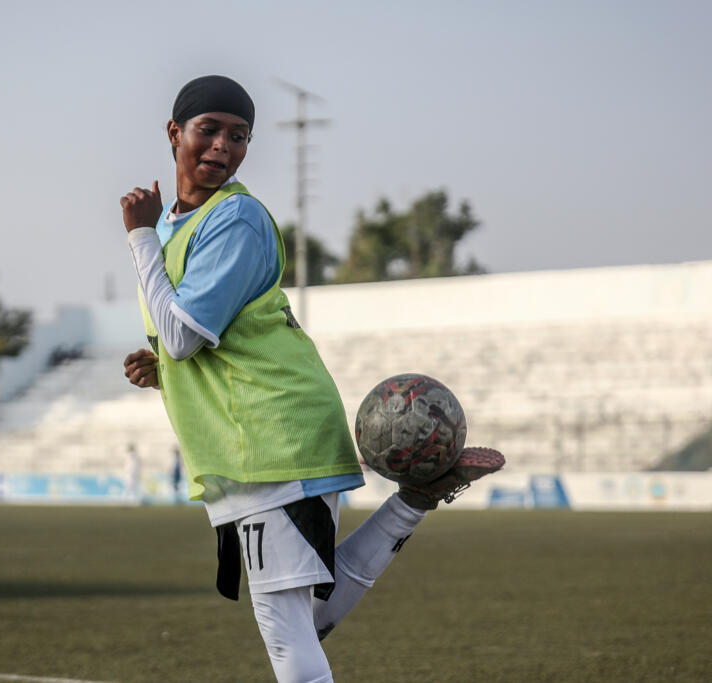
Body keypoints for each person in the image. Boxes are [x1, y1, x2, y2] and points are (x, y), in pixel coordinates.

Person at [120, 75, 505, 682]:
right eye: (209, 129)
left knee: (287, 633)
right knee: (307, 620)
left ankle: (415, 502)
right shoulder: (175, 227)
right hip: (245, 442)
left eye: (239, 135)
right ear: (175, 133)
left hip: (272, 435)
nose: (224, 145)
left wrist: (138, 237)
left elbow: (184, 334)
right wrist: (163, 367)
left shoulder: (235, 219)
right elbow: (188, 341)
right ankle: (416, 500)